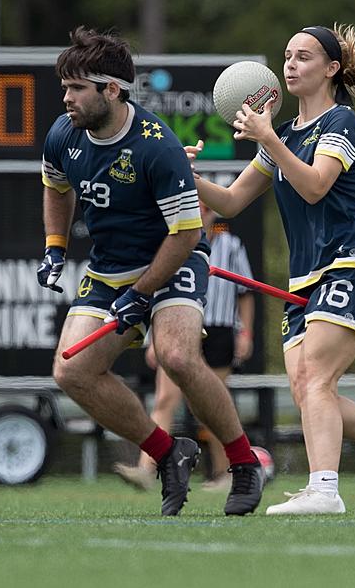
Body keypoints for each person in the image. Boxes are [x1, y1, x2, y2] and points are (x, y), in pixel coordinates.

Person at [188, 24, 355, 515]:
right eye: (287, 56)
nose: (291, 64)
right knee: (310, 391)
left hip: (354, 263)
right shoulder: (283, 135)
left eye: (304, 57)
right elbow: (230, 202)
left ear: (331, 69)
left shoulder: (341, 122)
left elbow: (316, 185)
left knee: (315, 376)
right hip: (307, 277)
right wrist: (180, 173)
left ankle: (324, 490)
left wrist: (269, 139)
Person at [38, 26, 263, 516]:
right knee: (71, 372)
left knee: (178, 357)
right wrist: (55, 246)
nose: (66, 97)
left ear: (111, 89)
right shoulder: (63, 134)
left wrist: (143, 293)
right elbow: (57, 190)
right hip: (109, 267)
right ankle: (168, 453)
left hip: (174, 256)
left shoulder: (157, 146)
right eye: (65, 86)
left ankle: (244, 464)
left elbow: (184, 235)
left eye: (77, 88)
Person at [113, 201, 255, 491]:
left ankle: (226, 472)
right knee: (165, 399)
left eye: (207, 207)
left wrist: (246, 333)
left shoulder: (231, 245)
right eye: (198, 207)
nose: (203, 212)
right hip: (179, 326)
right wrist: (155, 339)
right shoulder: (174, 243)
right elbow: (158, 291)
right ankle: (147, 468)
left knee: (213, 404)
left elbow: (246, 292)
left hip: (218, 328)